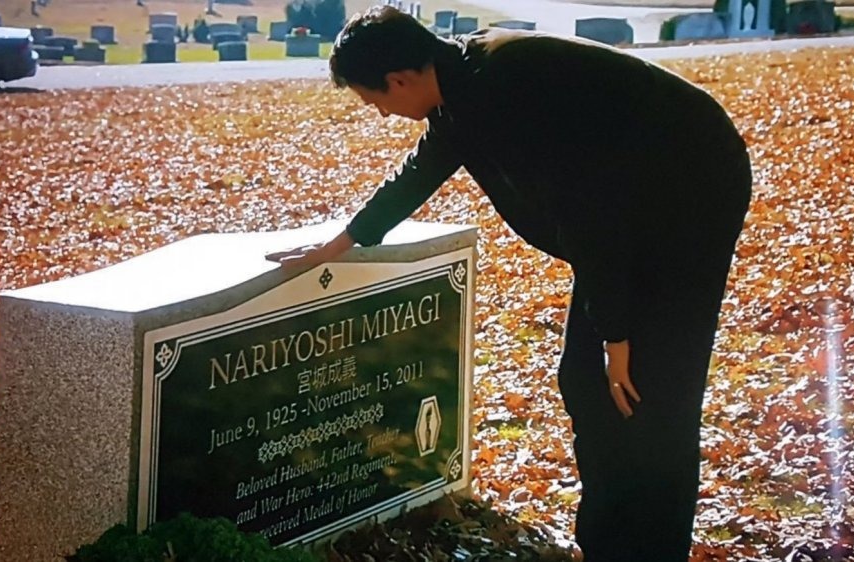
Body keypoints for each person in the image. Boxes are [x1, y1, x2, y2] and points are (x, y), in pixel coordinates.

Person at [267, 6, 752, 561]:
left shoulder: (503, 93)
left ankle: (652, 547)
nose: (380, 113)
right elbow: (424, 168)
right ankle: (609, 542)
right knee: (586, 382)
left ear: (399, 79)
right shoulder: (461, 84)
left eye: (374, 101)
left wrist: (616, 337)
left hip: (689, 193)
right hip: (625, 207)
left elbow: (590, 219)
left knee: (654, 391)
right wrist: (341, 243)